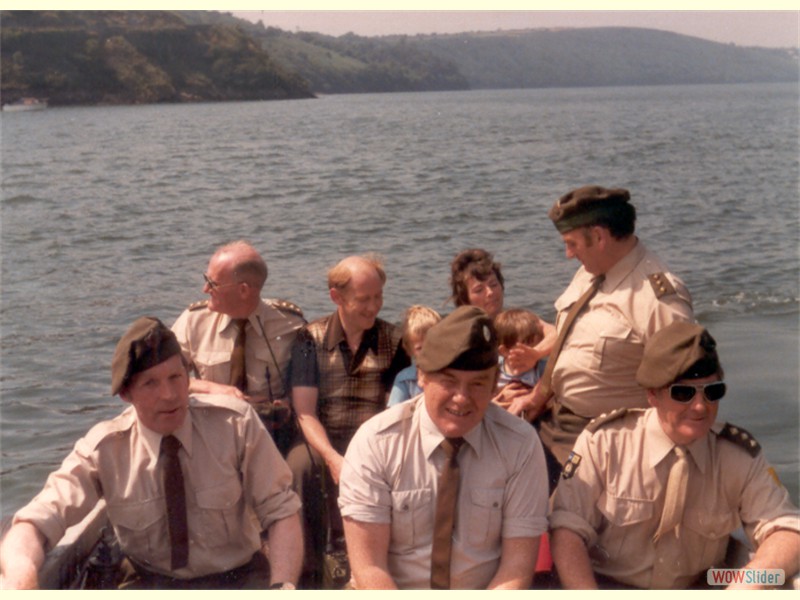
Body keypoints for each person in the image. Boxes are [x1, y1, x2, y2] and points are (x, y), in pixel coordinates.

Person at [0, 317, 303, 590]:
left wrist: (283, 587)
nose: (169, 395)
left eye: (176, 377)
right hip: (149, 582)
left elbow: (281, 511)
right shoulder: (105, 449)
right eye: (150, 383)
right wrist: (20, 573)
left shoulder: (235, 425)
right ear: (125, 394)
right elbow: (36, 522)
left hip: (238, 578)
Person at [549, 322, 800, 589]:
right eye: (683, 393)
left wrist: (747, 585)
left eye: (713, 392)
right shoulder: (605, 443)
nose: (701, 406)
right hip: (609, 585)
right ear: (652, 395)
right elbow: (567, 530)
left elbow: (787, 529)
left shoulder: (738, 456)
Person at [338, 306, 549, 589]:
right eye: (448, 381)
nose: (462, 398)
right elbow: (370, 567)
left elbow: (516, 569)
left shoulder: (519, 445)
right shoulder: (376, 443)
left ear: (493, 384)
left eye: (477, 383)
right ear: (422, 376)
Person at [510, 186, 694, 483]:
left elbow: (686, 390)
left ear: (598, 237)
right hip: (555, 417)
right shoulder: (591, 271)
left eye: (572, 244)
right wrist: (539, 394)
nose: (568, 254)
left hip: (603, 439)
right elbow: (572, 336)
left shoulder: (659, 300)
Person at [286, 254, 409, 586]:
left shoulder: (395, 340)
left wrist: (364, 455)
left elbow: (397, 408)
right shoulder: (309, 339)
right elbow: (305, 411)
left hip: (375, 440)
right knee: (299, 464)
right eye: (363, 299)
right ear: (336, 297)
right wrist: (332, 458)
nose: (374, 307)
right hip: (323, 438)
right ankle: (306, 572)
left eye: (378, 297)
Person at [171, 241, 305, 454]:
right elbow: (163, 378)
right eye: (206, 280)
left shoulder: (291, 324)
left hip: (272, 432)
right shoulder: (192, 321)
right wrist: (215, 390)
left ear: (243, 290)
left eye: (212, 284)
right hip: (211, 430)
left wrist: (288, 402)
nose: (205, 289)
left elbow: (309, 379)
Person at [449, 248, 555, 417]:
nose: (490, 293)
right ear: (465, 298)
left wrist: (535, 354)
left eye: (493, 284)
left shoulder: (517, 322)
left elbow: (557, 334)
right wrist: (491, 404)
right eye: (479, 290)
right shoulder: (459, 336)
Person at [387, 305, 442, 407]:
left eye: (432, 344)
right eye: (420, 348)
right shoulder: (405, 379)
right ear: (409, 350)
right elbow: (394, 412)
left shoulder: (450, 373)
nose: (427, 351)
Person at [494, 307, 547, 392]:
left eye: (538, 345)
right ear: (505, 351)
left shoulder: (541, 369)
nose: (534, 352)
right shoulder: (495, 369)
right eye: (528, 347)